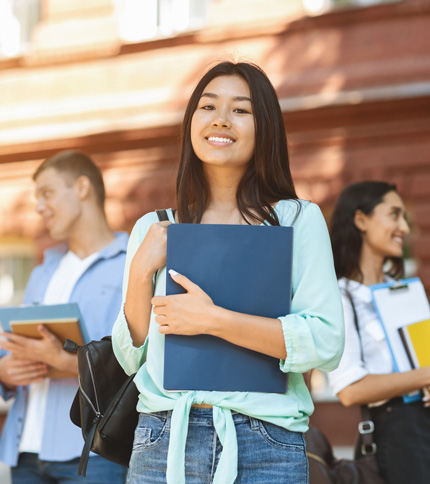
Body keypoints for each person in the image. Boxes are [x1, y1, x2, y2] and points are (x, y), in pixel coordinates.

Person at [112, 61, 345, 484]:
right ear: (191, 123)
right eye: (208, 106)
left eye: (241, 110)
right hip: (162, 439)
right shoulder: (153, 227)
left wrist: (213, 321)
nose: (221, 119)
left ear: (265, 128)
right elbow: (131, 357)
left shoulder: (296, 221)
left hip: (265, 443)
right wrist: (141, 271)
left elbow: (325, 342)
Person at [0, 150, 128, 483]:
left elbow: (135, 361)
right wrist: (5, 372)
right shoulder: (43, 270)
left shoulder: (133, 265)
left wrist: (62, 360)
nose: (39, 207)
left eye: (47, 193)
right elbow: (12, 348)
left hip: (94, 454)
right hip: (25, 451)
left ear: (82, 188)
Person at [328, 181, 430, 484]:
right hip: (398, 436)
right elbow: (350, 390)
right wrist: (425, 376)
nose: (404, 228)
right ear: (361, 220)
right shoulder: (340, 296)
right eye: (394, 215)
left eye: (405, 218)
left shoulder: (404, 291)